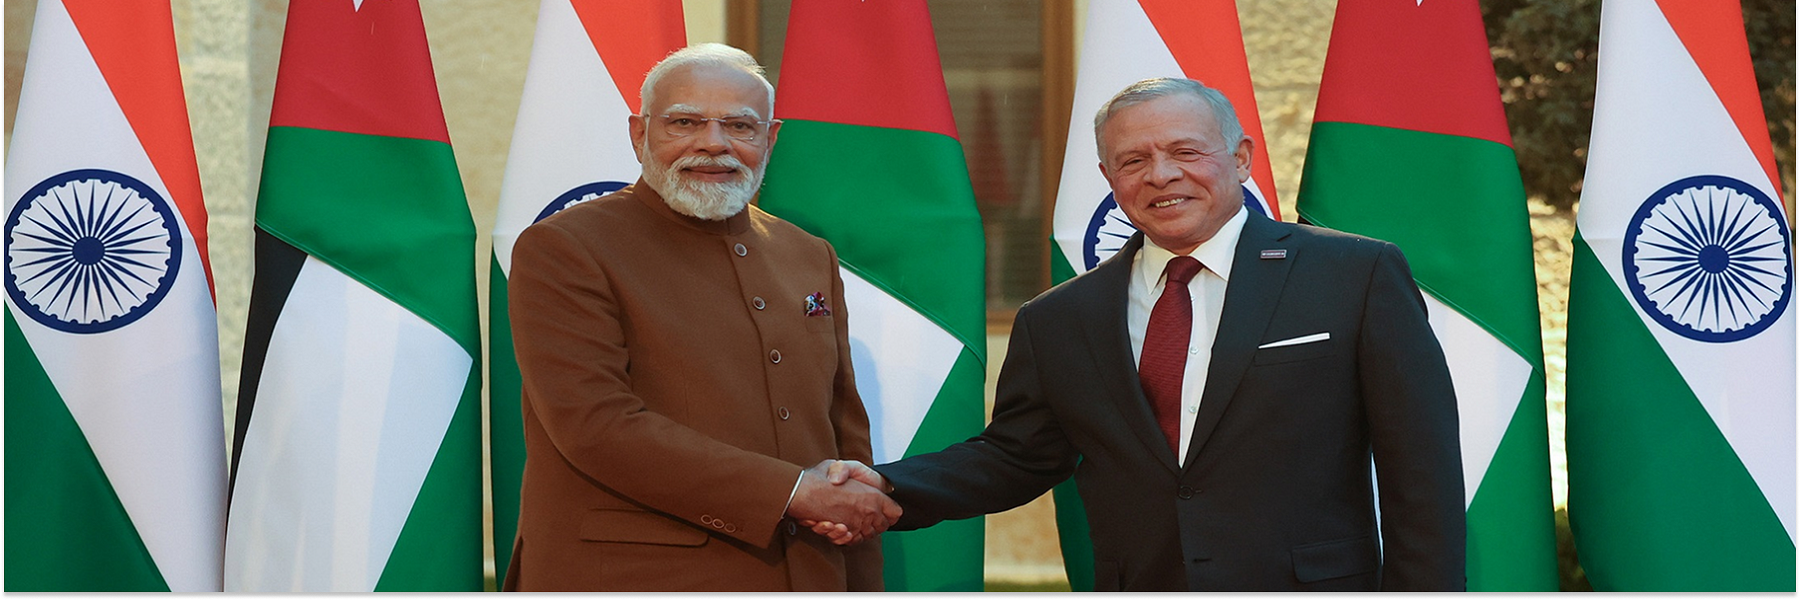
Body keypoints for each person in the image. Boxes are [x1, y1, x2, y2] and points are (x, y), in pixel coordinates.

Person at [814, 77, 1466, 591]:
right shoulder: (1058, 319)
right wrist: (884, 488)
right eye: (1133, 160)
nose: (1160, 175)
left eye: (1185, 151)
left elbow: (1422, 474)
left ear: (1240, 159)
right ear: (1109, 179)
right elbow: (1015, 457)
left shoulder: (1354, 274)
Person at [502, 43, 895, 592]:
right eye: (684, 123)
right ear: (639, 134)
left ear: (770, 139)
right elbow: (594, 425)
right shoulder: (566, 247)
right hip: (633, 576)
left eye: (740, 126)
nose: (713, 144)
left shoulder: (808, 253)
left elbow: (840, 424)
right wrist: (790, 492)